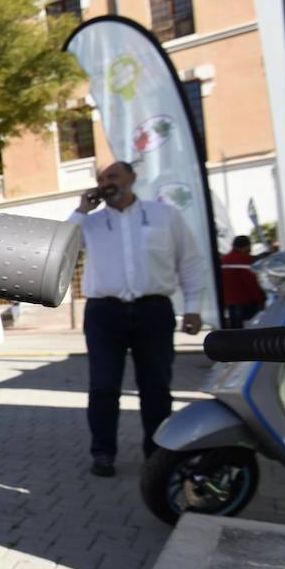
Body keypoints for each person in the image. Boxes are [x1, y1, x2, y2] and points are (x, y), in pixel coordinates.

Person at [71, 161, 205, 477]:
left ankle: (156, 453)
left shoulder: (165, 216)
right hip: (104, 312)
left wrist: (194, 306)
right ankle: (103, 453)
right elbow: (59, 246)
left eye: (113, 176)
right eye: (101, 178)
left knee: (156, 386)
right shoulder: (89, 223)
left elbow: (190, 262)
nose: (106, 182)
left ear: (132, 178)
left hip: (153, 310)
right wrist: (81, 211)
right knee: (103, 386)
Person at [220, 235, 265, 328]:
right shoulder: (245, 260)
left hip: (229, 302)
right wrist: (260, 300)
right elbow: (252, 284)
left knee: (235, 331)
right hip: (246, 302)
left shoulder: (224, 260)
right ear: (247, 246)